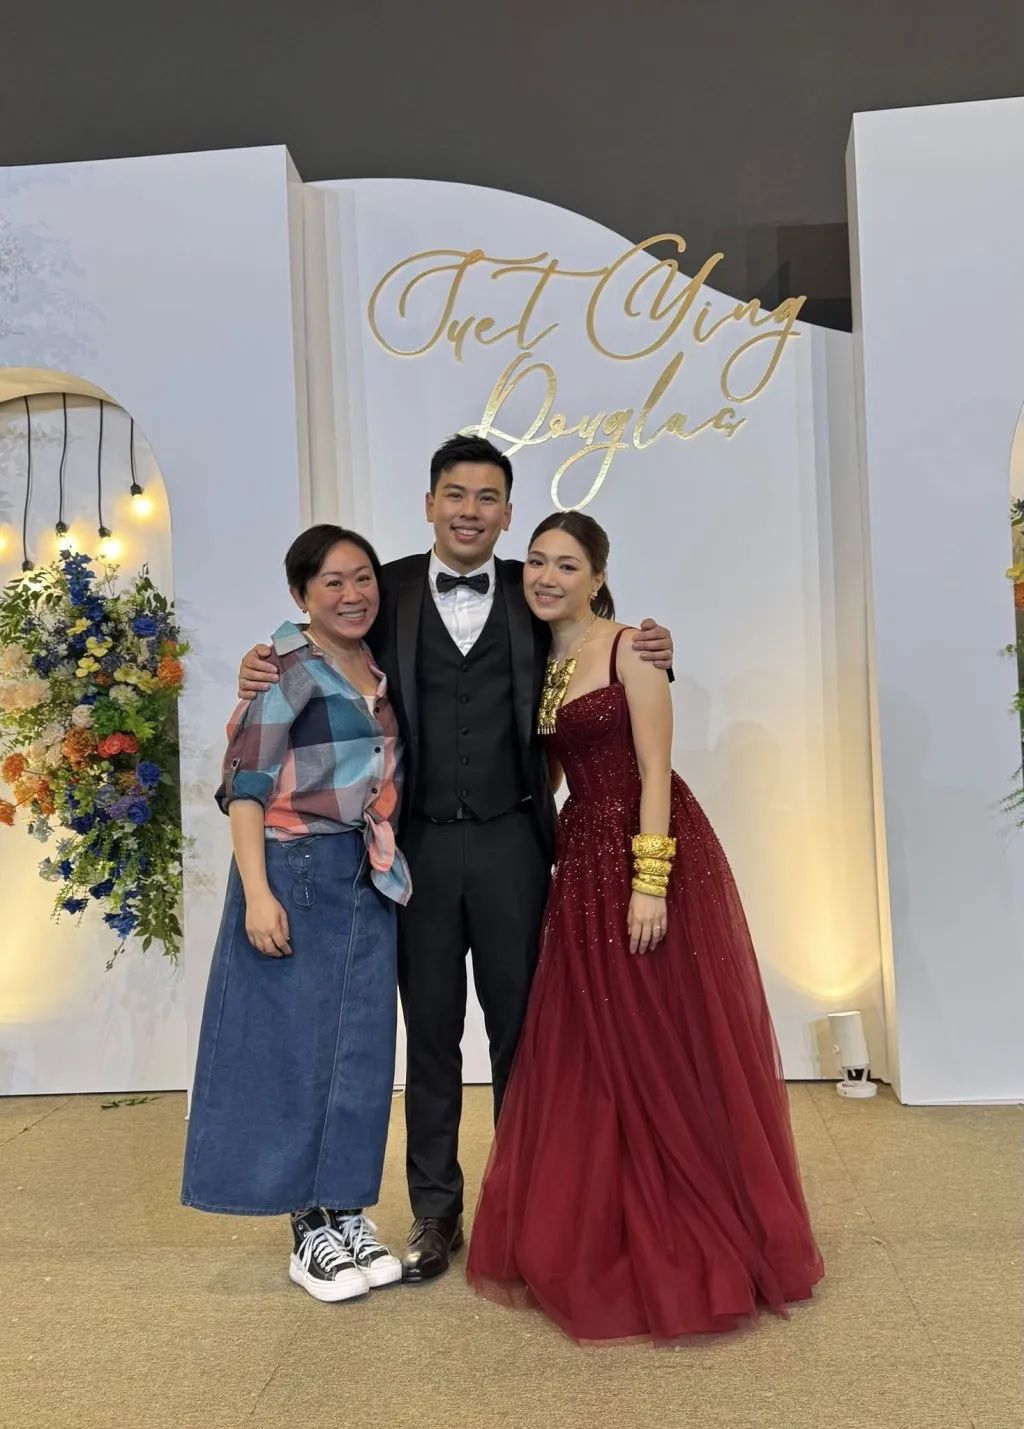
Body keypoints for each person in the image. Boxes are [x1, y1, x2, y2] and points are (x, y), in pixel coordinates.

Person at [237, 434, 674, 1282]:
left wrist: (656, 645)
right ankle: (436, 1213)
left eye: (487, 498)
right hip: (416, 849)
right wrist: (264, 659)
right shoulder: (387, 589)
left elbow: (601, 649)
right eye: (456, 495)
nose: (470, 511)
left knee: (525, 1033)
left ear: (507, 513)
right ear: (430, 503)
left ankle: (528, 1207)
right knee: (430, 1035)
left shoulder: (535, 589)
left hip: (516, 842)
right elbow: (319, 631)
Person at [465, 510, 824, 1343]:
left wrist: (649, 881)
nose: (548, 576)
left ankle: (695, 1222)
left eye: (568, 564)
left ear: (598, 576)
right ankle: (608, 1218)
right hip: (582, 858)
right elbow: (552, 768)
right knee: (598, 1042)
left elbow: (656, 768)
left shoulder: (632, 648)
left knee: (661, 1037)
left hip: (647, 849)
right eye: (538, 562)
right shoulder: (540, 659)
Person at [182, 525, 411, 1303]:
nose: (352, 594)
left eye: (362, 578)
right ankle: (306, 1224)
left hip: (366, 872)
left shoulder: (373, 665)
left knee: (359, 1052)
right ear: (300, 594)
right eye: (332, 582)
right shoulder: (283, 669)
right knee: (294, 1050)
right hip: (296, 869)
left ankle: (346, 1206)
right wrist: (257, 892)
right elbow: (245, 787)